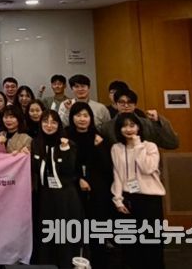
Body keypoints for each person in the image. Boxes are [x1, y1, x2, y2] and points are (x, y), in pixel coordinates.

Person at [111, 113, 166, 269]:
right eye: (124, 126)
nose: (128, 129)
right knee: (130, 243)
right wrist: (118, 199)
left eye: (132, 125)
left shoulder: (150, 146)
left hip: (149, 199)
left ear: (139, 127)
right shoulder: (116, 148)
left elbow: (147, 168)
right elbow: (117, 174)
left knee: (151, 241)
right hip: (128, 198)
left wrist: (137, 145)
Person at [31, 110, 83, 268]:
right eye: (45, 122)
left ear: (59, 124)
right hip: (44, 195)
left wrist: (65, 149)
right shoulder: (35, 143)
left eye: (53, 122)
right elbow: (34, 169)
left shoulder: (68, 143)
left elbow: (70, 169)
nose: (49, 125)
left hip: (65, 195)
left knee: (64, 232)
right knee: (46, 233)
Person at [66, 102, 113, 269]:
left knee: (97, 230)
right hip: (73, 189)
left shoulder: (98, 137)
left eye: (86, 115)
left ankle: (99, 262)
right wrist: (78, 178)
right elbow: (64, 165)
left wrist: (99, 147)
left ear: (91, 118)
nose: (82, 119)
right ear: (72, 117)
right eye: (78, 115)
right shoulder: (65, 136)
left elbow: (107, 167)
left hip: (98, 191)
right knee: (76, 230)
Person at [99, 88, 179, 149]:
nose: (126, 106)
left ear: (135, 105)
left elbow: (172, 144)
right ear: (116, 104)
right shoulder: (106, 127)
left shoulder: (147, 124)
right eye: (122, 102)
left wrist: (158, 121)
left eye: (130, 102)